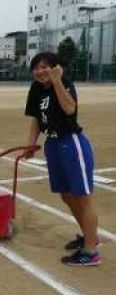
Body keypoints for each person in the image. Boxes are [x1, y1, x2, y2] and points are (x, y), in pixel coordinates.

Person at [24, 52, 100, 266]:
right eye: (36, 68)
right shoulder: (36, 89)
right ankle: (89, 235)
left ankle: (91, 251)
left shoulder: (64, 82)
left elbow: (69, 108)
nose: (40, 71)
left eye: (45, 67)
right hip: (53, 144)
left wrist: (57, 80)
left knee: (83, 197)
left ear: (55, 68)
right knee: (66, 195)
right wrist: (31, 144)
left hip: (71, 142)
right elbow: (37, 119)